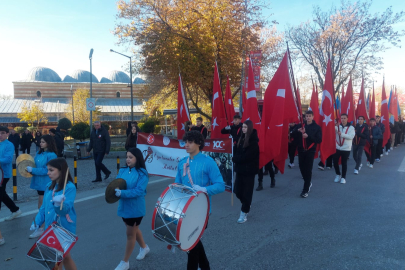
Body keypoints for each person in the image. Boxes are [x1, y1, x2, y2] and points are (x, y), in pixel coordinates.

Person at [175, 130, 225, 270]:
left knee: (190, 243)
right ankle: (205, 267)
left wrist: (204, 189)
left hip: (202, 210)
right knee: (193, 243)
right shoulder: (181, 162)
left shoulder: (208, 162)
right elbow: (177, 185)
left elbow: (220, 185)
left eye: (190, 142)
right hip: (185, 210)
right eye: (185, 142)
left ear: (199, 143)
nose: (186, 145)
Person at [30, 158, 77, 270]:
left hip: (63, 228)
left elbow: (65, 210)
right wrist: (37, 221)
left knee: (55, 261)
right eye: (48, 170)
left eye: (51, 170)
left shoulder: (69, 187)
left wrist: (58, 204)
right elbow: (43, 208)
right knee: (65, 257)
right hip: (50, 228)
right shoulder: (49, 186)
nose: (48, 173)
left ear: (61, 170)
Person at [113, 148, 150, 270]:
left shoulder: (142, 173)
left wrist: (122, 193)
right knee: (133, 230)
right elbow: (117, 183)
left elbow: (139, 191)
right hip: (124, 207)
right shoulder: (123, 170)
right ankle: (144, 247)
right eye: (127, 157)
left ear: (137, 158)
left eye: (131, 157)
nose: (128, 159)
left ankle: (125, 262)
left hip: (136, 209)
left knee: (130, 234)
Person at [26, 134, 58, 238]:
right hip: (39, 182)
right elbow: (35, 165)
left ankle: (41, 227)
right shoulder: (39, 153)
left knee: (43, 205)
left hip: (47, 182)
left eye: (43, 142)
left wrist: (33, 170)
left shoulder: (51, 155)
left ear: (49, 143)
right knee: (41, 204)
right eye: (40, 142)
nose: (40, 143)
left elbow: (47, 169)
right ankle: (43, 226)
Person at [232, 120, 259, 222]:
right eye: (243, 127)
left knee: (247, 192)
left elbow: (248, 156)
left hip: (249, 171)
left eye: (245, 127)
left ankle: (244, 212)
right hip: (240, 170)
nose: (243, 129)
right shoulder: (241, 138)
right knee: (238, 191)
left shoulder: (253, 142)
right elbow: (237, 152)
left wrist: (235, 159)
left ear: (250, 128)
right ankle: (246, 204)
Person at [292, 111, 322, 198]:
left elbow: (319, 140)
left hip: (310, 150)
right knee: (302, 168)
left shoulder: (317, 127)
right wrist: (298, 130)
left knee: (308, 169)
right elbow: (292, 134)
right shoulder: (301, 125)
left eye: (309, 116)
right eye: (306, 116)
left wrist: (308, 136)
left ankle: (305, 190)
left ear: (313, 117)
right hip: (301, 150)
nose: (308, 118)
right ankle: (308, 182)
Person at [0, 126, 22, 220]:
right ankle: (15, 210)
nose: (0, 135)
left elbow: (8, 159)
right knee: (2, 194)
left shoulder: (9, 145)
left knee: (0, 194)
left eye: (2, 133)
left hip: (4, 174)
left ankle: (15, 210)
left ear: (7, 134)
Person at [333, 114, 355, 184]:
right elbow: (331, 131)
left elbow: (351, 137)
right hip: (337, 147)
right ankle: (338, 174)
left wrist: (341, 134)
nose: (343, 119)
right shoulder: (338, 126)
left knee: (344, 163)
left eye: (344, 118)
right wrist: (334, 125)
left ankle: (343, 177)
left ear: (347, 118)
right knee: (335, 161)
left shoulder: (351, 127)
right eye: (341, 118)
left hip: (346, 148)